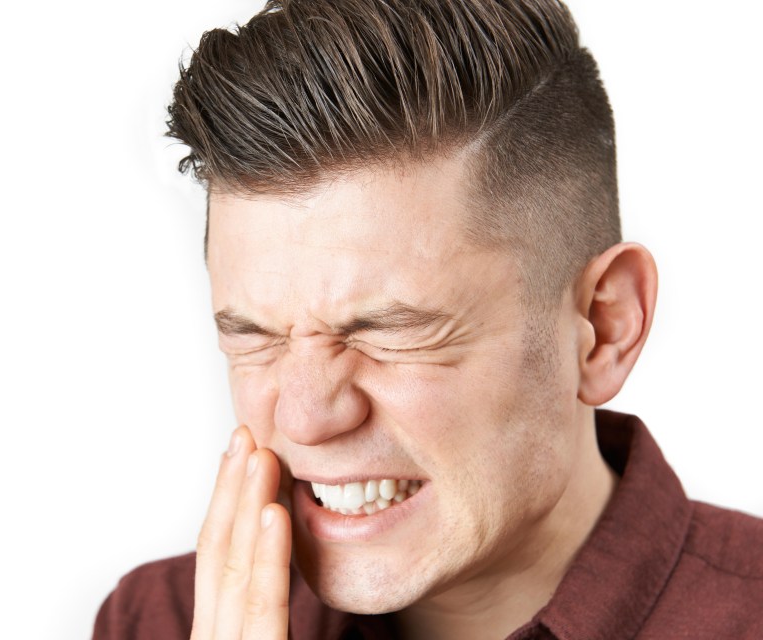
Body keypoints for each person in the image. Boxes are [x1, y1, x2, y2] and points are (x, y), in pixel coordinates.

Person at [93, 1, 763, 638]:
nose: (303, 419)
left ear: (603, 326)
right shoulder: (157, 621)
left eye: (390, 332)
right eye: (255, 338)